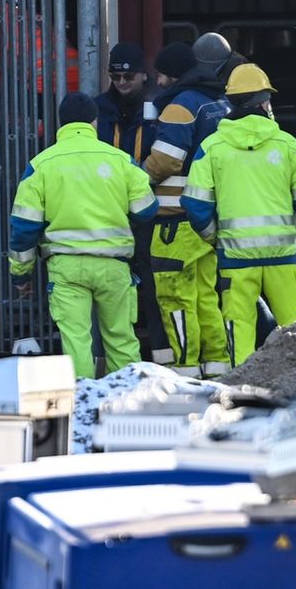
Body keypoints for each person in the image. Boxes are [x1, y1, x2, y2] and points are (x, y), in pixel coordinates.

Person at [182, 63, 296, 366]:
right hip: (281, 257)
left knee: (239, 326)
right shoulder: (288, 145)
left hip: (235, 259)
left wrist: (214, 237)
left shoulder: (212, 148)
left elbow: (195, 205)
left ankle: (242, 390)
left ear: (231, 102)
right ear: (263, 102)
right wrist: (293, 231)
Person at [8, 93, 158, 379]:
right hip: (114, 265)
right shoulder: (120, 160)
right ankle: (127, 405)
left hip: (67, 268)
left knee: (76, 341)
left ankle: (79, 408)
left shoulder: (41, 165)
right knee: (122, 339)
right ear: (94, 122)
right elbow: (147, 210)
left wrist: (21, 275)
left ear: (60, 124)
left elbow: (24, 227)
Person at [143, 37, 237, 376]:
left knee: (175, 299)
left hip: (174, 223)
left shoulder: (180, 106)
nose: (158, 82)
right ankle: (216, 366)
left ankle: (185, 369)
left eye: (162, 75)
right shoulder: (220, 104)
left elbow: (166, 161)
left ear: (174, 75)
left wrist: (137, 179)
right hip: (206, 220)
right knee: (206, 298)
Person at [94, 41, 163, 360]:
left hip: (148, 206)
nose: (122, 83)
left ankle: (158, 349)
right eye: (115, 77)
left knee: (150, 278)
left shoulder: (159, 107)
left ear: (144, 76)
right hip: (108, 208)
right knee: (114, 283)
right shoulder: (98, 110)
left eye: (129, 77)